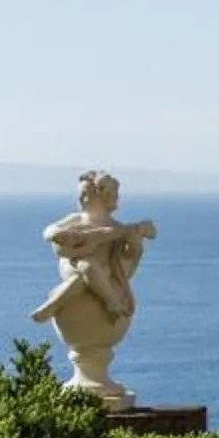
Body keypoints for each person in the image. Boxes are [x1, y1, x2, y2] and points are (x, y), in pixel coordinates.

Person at [32, 169, 157, 400]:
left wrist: (136, 240)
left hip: (101, 277)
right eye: (81, 194)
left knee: (88, 271)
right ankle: (106, 301)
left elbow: (130, 254)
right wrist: (65, 236)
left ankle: (55, 305)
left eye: (86, 195)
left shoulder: (116, 227)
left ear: (106, 198)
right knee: (84, 269)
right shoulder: (75, 220)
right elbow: (49, 231)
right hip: (72, 266)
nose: (81, 199)